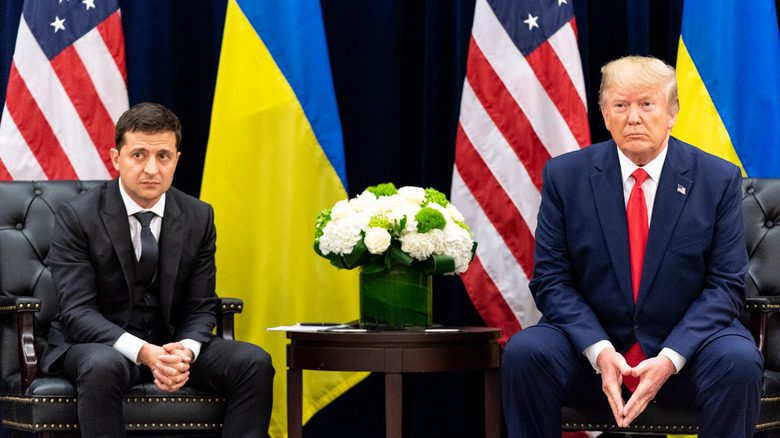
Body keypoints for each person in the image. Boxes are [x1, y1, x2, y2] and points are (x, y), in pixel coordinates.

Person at [501, 56, 762, 437]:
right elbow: (551, 280)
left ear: (672, 113)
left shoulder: (716, 179)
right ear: (605, 115)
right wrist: (600, 350)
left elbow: (724, 286)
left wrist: (670, 358)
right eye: (620, 106)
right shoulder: (565, 176)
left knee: (739, 361)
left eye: (647, 104)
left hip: (687, 352)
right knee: (526, 353)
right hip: (593, 351)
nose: (633, 117)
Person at [41, 102, 274, 438]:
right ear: (115, 158)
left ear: (176, 160)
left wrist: (186, 351)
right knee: (101, 366)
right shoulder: (77, 216)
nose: (151, 168)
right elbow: (77, 312)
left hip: (172, 344)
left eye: (163, 156)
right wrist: (144, 353)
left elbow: (201, 305)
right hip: (103, 345)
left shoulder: (199, 216)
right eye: (138, 155)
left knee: (253, 362)